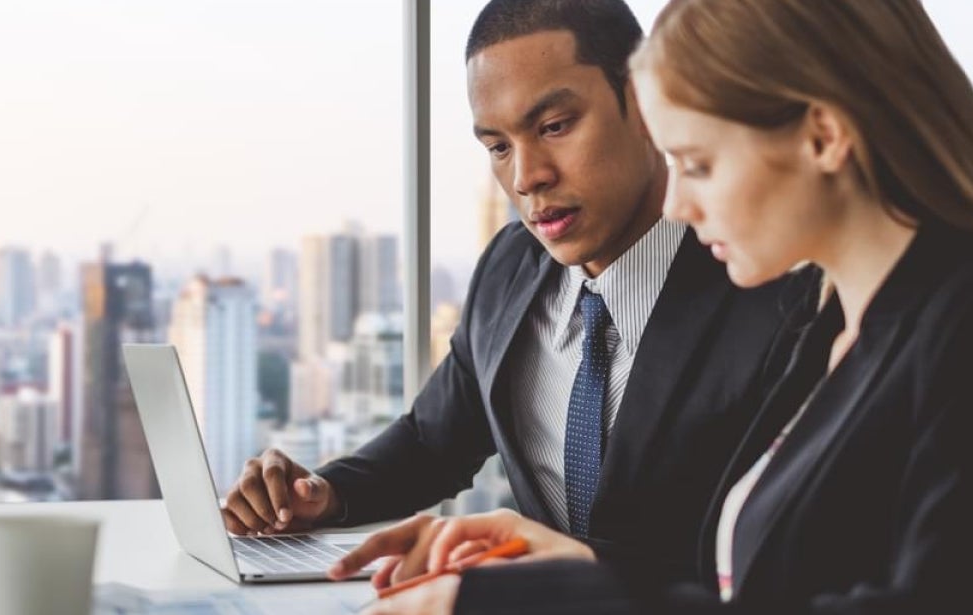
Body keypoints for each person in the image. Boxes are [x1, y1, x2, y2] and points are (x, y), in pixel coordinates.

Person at [332, 0, 973, 612]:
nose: (677, 201)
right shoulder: (845, 332)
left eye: (698, 163)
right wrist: (564, 561)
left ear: (824, 133)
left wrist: (519, 599)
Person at [222, 0, 813, 588]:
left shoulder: (769, 291)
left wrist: (567, 580)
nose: (527, 176)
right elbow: (433, 442)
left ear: (644, 103)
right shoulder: (511, 267)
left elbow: (785, 561)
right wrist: (321, 495)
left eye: (554, 127)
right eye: (499, 147)